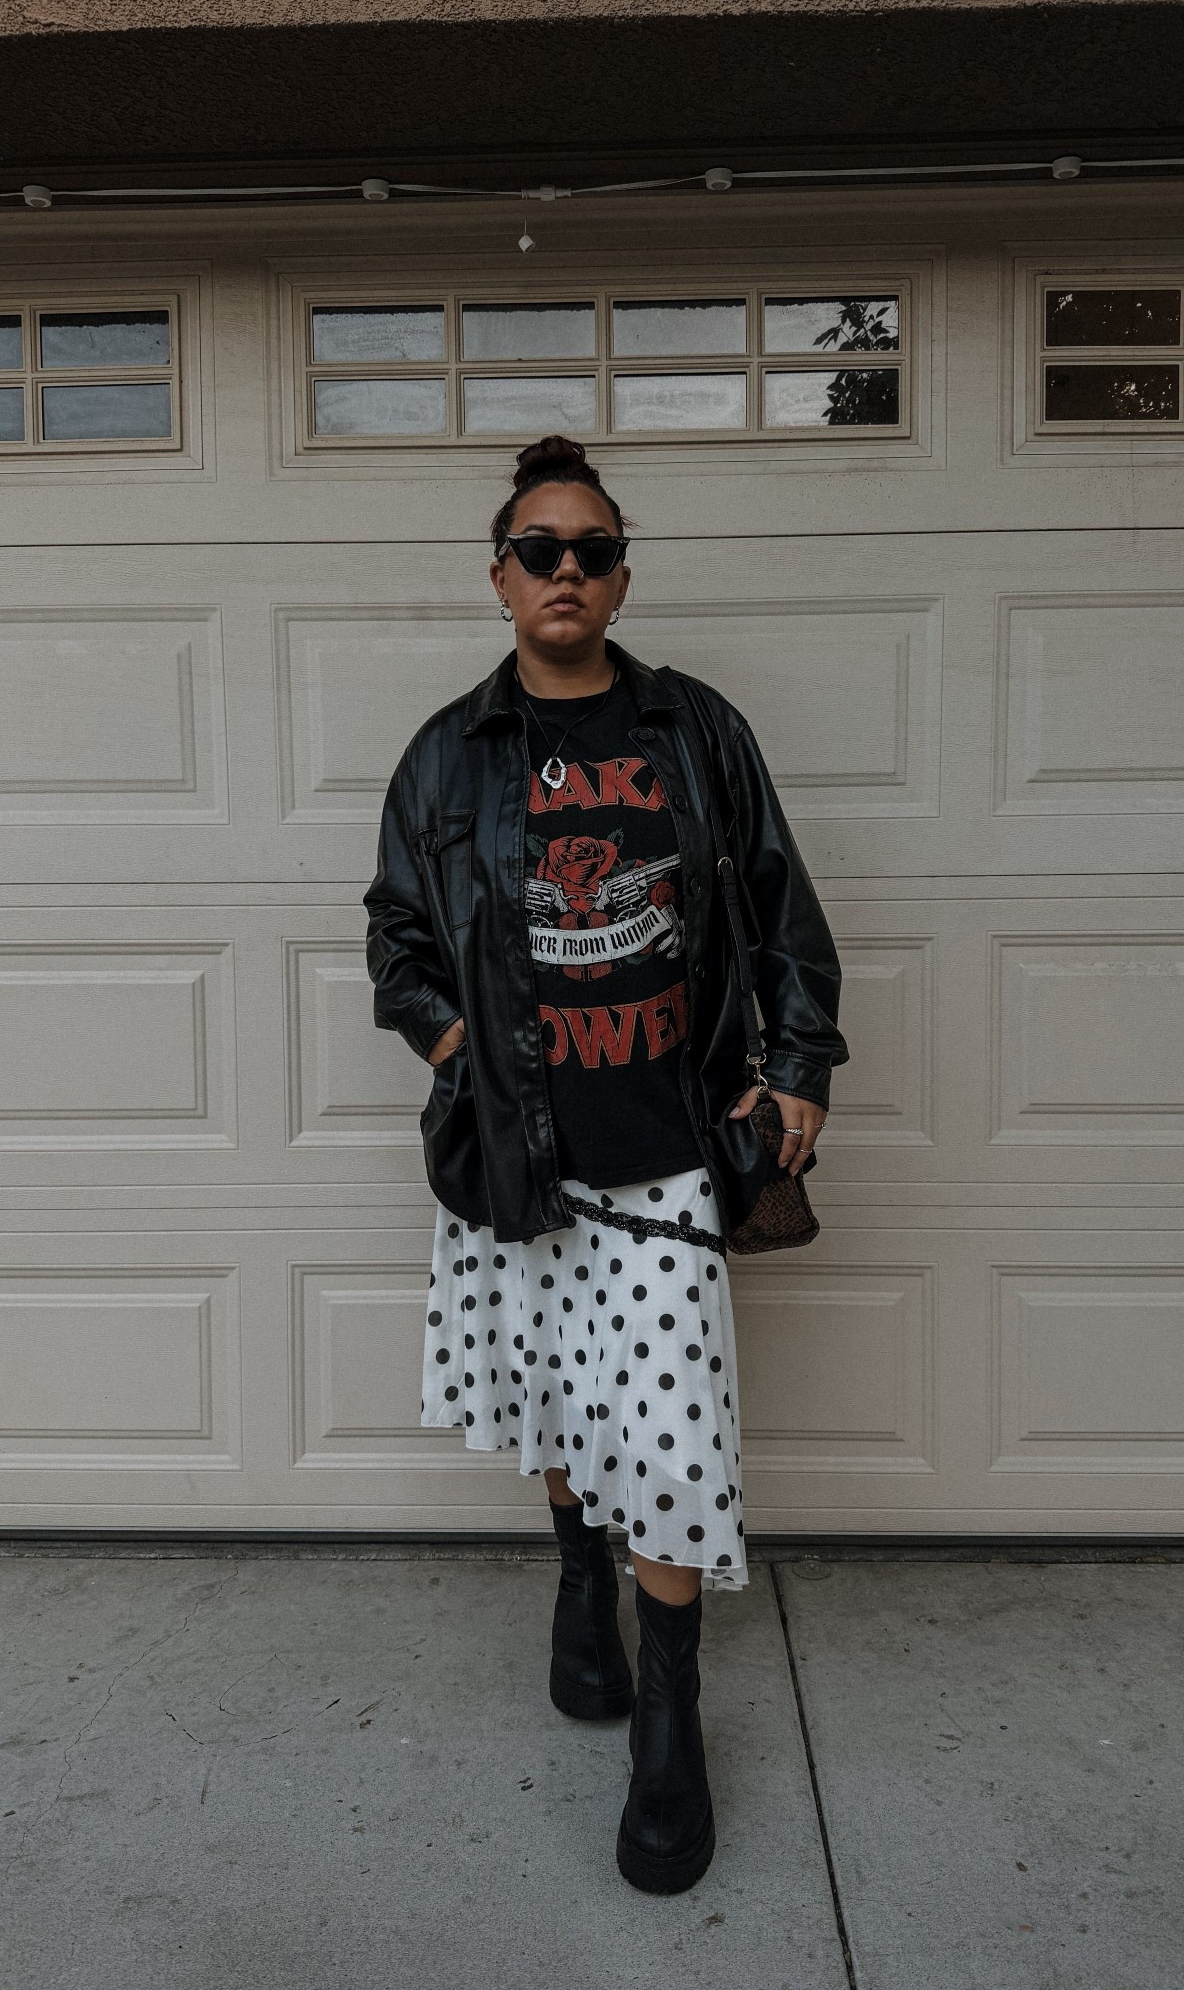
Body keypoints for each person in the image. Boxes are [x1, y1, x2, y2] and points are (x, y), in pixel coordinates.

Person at [363, 434, 847, 1894]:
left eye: (592, 550)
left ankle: (669, 1716)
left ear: (622, 577)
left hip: (667, 1148)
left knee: (674, 1442)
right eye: (539, 550)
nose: (564, 570)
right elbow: (396, 938)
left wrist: (800, 1062)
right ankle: (583, 1595)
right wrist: (462, 1050)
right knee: (564, 1400)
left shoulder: (695, 732)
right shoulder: (449, 754)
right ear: (500, 577)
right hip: (521, 1153)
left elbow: (779, 903)